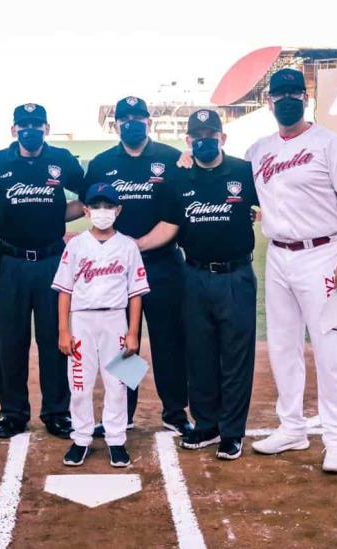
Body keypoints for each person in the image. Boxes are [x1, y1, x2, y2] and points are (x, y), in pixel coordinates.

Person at [246, 69, 337, 473]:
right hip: (278, 256)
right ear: (268, 102)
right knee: (282, 345)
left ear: (306, 95)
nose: (286, 99)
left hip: (325, 253)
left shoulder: (330, 143)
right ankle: (292, 427)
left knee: (330, 349)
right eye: (279, 94)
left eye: (293, 92)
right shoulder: (259, 150)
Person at [139, 109, 258, 460]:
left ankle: (232, 432)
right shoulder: (179, 178)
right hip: (191, 275)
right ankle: (205, 424)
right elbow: (170, 225)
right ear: (189, 141)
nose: (205, 140)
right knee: (199, 353)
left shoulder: (242, 171)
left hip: (236, 275)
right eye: (197, 135)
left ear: (222, 137)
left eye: (212, 133)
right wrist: (133, 247)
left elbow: (271, 205)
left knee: (235, 355)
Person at [0, 103, 85, 439]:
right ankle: (13, 413)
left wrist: (55, 217)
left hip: (52, 260)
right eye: (24, 125)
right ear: (14, 130)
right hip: (12, 262)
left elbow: (88, 196)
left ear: (47, 129)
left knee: (55, 339)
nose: (30, 129)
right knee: (11, 342)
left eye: (36, 124)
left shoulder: (62, 160)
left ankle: (57, 412)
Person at [81, 96, 191, 437]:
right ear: (116, 125)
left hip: (162, 266)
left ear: (149, 122)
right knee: (124, 344)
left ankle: (175, 411)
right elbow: (91, 211)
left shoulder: (172, 160)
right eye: (124, 118)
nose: (132, 122)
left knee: (168, 342)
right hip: (117, 272)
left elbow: (177, 216)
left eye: (138, 117)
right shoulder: (101, 163)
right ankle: (122, 413)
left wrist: (136, 247)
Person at [53, 183, 149, 467]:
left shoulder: (128, 245)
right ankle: (81, 437)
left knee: (118, 384)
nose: (102, 212)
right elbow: (64, 290)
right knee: (79, 385)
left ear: (118, 210)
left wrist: (133, 333)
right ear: (86, 210)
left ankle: (116, 439)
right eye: (96, 206)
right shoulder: (76, 244)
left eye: (108, 206)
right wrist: (63, 330)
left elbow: (136, 294)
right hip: (83, 320)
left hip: (116, 320)